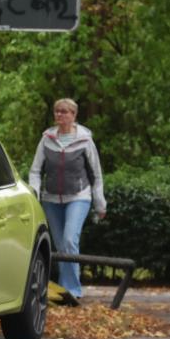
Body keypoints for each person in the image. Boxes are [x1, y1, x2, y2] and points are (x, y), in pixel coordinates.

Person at [29, 98, 107, 299]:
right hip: (51, 200)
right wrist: (35, 194)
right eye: (57, 111)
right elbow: (35, 171)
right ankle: (65, 290)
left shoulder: (85, 140)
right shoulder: (46, 139)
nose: (59, 115)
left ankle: (72, 290)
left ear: (74, 115)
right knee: (61, 247)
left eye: (64, 111)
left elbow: (96, 174)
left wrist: (100, 204)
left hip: (78, 197)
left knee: (70, 240)